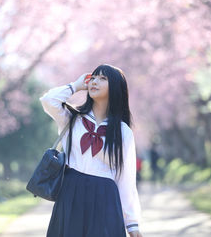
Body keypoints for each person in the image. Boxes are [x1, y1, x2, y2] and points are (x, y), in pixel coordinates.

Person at [39, 64, 142, 237]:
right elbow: (48, 101)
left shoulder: (123, 132)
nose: (95, 81)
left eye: (103, 78)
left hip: (106, 199)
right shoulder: (72, 118)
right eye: (93, 77)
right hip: (72, 194)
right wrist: (75, 86)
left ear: (116, 88)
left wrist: (132, 223)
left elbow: (126, 179)